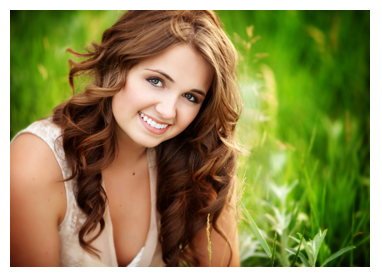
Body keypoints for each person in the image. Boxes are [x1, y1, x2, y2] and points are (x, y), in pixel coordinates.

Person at [10, 10, 242, 267]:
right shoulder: (35, 162)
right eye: (156, 80)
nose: (167, 111)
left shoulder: (199, 163)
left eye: (190, 97)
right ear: (117, 66)